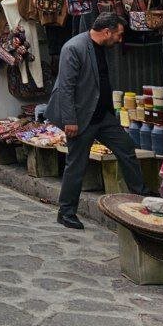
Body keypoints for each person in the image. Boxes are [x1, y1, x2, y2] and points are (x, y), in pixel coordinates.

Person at [45, 12, 147, 230]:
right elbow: (66, 87)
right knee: (77, 165)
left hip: (103, 116)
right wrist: (70, 120)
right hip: (81, 118)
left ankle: (141, 197)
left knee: (126, 148)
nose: (120, 40)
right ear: (107, 31)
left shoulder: (101, 48)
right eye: (118, 35)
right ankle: (66, 212)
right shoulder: (74, 48)